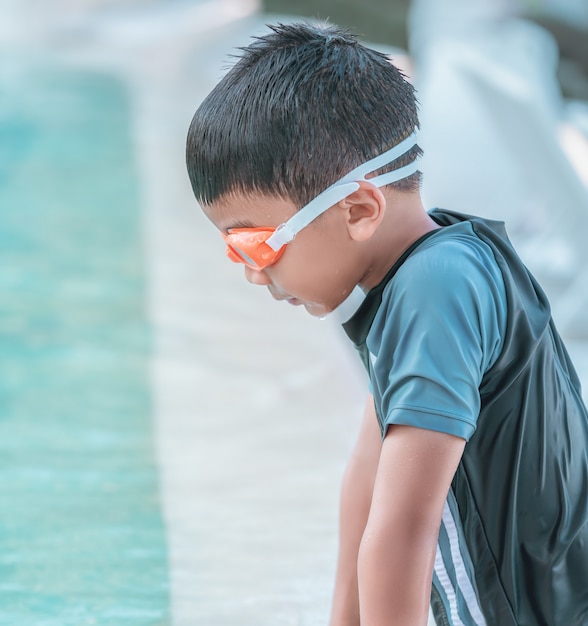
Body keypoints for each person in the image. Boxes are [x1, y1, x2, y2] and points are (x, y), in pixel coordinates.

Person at [185, 22, 588, 626]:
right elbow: (365, 489)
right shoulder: (432, 272)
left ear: (359, 210)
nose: (253, 274)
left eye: (257, 246)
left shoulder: (436, 290)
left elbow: (400, 534)